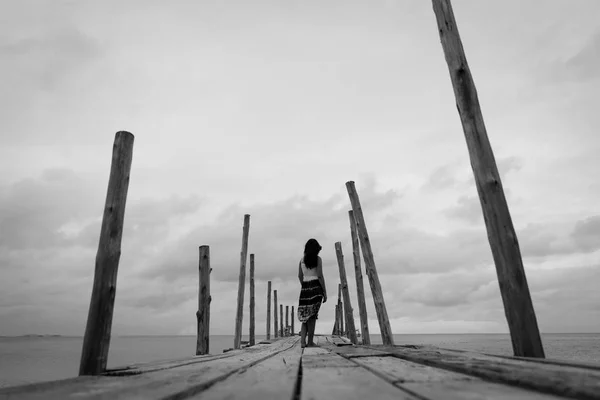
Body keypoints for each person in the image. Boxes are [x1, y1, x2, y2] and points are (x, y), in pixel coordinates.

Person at [297, 238, 327, 348]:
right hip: (316, 288)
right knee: (312, 316)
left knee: (305, 315)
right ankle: (310, 342)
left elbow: (300, 276)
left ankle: (302, 342)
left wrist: (305, 286)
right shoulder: (318, 259)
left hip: (305, 288)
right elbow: (319, 275)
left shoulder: (301, 260)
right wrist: (324, 291)